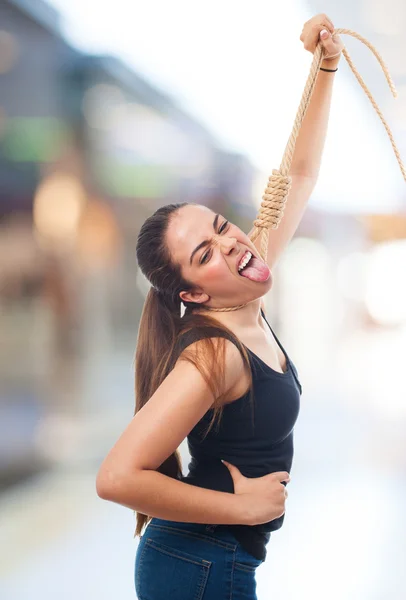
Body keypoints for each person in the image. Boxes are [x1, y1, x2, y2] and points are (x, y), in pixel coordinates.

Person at [96, 13, 343, 600]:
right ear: (193, 293)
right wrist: (243, 508)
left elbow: (300, 173)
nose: (233, 242)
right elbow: (115, 478)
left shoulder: (245, 281)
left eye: (221, 226)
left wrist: (326, 66)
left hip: (209, 562)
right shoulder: (212, 353)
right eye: (206, 253)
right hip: (196, 566)